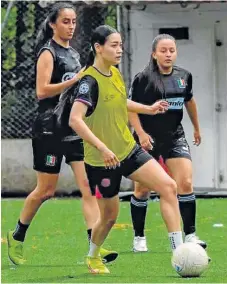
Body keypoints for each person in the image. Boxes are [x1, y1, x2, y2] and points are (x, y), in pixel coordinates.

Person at [7, 2, 117, 265]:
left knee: (88, 189)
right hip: (49, 129)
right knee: (45, 191)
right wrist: (73, 80)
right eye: (65, 21)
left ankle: (94, 248)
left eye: (74, 21)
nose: (71, 26)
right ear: (53, 24)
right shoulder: (48, 52)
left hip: (73, 129)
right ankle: (17, 236)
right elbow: (41, 91)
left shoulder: (75, 55)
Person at [69, 25, 184, 274]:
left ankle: (180, 253)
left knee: (168, 186)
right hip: (102, 161)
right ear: (98, 48)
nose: (120, 50)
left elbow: (122, 102)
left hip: (129, 150)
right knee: (109, 218)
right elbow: (75, 119)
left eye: (121, 44)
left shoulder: (115, 73)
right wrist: (101, 148)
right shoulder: (89, 81)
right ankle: (92, 255)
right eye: (114, 45)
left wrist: (149, 108)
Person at [128, 33, 207, 253]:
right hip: (148, 139)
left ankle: (190, 234)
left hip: (175, 136)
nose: (168, 54)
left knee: (186, 184)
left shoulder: (184, 76)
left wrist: (197, 128)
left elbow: (189, 101)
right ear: (154, 54)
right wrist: (141, 134)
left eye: (171, 50)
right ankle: (139, 237)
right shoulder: (143, 78)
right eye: (163, 50)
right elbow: (131, 108)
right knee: (142, 189)